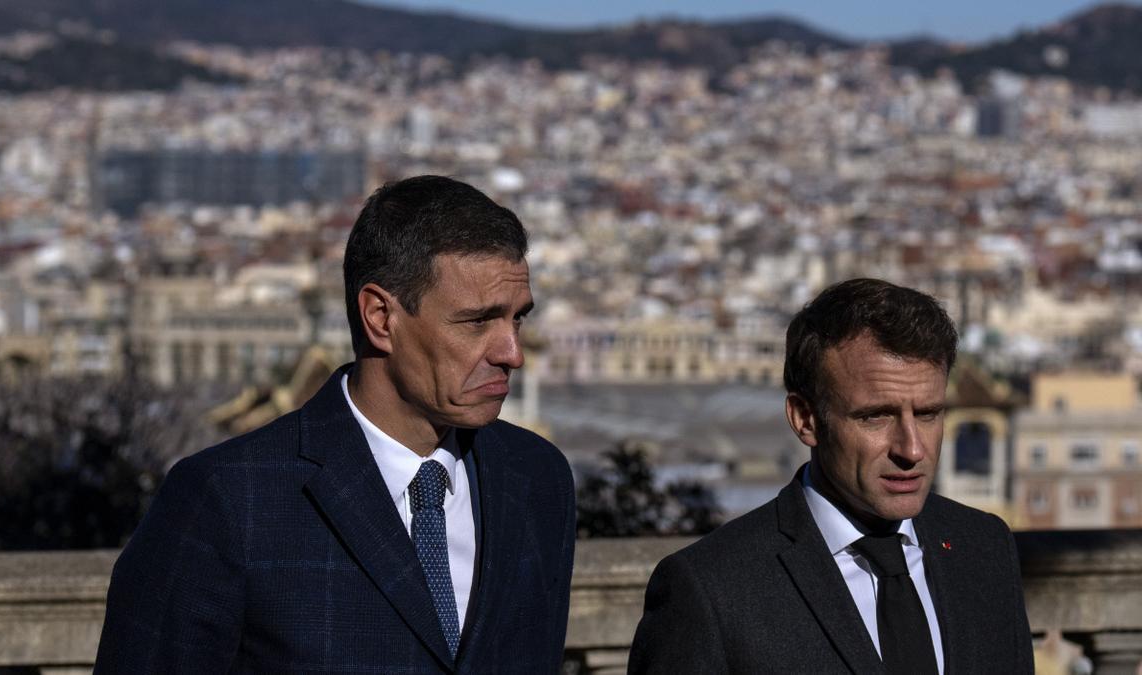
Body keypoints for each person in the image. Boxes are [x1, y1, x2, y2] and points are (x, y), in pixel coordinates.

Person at [96, 176, 576, 674]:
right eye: (478, 321)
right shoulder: (227, 500)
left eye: (518, 319)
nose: (512, 353)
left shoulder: (538, 481)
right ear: (380, 317)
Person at [629, 278, 1033, 674]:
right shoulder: (711, 589)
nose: (912, 449)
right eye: (875, 416)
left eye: (928, 414)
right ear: (805, 419)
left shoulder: (985, 548)